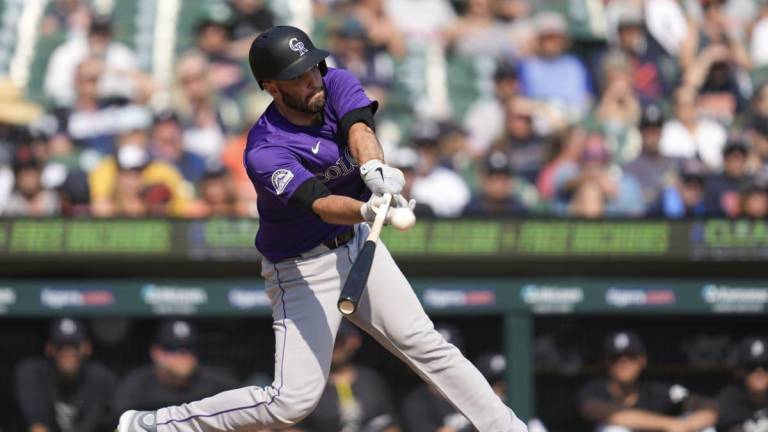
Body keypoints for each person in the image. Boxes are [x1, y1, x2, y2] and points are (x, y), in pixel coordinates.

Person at [116, 25, 527, 432]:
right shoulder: (265, 149)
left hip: (357, 245)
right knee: (291, 402)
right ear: (272, 87)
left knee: (427, 344)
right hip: (301, 268)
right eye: (298, 75)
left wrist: (374, 170)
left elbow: (360, 129)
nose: (313, 79)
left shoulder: (335, 82)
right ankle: (159, 425)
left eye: (313, 67)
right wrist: (367, 209)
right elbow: (322, 204)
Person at [578, 330, 718, 432]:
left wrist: (687, 426)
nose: (623, 363)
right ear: (607, 363)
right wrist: (669, 424)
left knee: (706, 429)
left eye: (630, 357)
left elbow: (709, 407)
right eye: (616, 358)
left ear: (642, 361)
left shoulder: (655, 390)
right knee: (614, 430)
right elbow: (609, 414)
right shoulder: (594, 389)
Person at [286, 321, 400, 432]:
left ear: (354, 341)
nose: (333, 346)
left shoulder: (371, 380)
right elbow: (289, 428)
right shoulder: (307, 384)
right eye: (327, 340)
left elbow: (390, 424)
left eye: (339, 340)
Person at [113, 320, 238, 417]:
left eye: (189, 348)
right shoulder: (135, 388)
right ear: (156, 352)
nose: (182, 356)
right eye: (173, 348)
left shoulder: (219, 385)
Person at [15, 317, 117, 432]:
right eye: (61, 346)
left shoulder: (101, 378)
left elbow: (113, 423)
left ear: (86, 348)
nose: (67, 352)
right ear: (49, 349)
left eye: (74, 346)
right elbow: (37, 427)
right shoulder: (33, 373)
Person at [717, 336, 768, 432]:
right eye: (751, 367)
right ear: (739, 371)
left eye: (765, 366)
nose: (759, 371)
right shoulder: (729, 398)